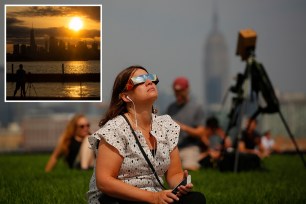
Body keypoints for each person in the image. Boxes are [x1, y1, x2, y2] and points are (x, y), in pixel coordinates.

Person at [87, 66, 206, 204]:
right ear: (126, 96)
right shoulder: (115, 129)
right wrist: (153, 198)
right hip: (120, 197)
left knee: (195, 199)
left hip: (154, 195)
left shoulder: (166, 126)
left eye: (151, 78)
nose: (149, 82)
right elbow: (105, 182)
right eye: (140, 80)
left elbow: (174, 173)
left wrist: (180, 184)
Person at [166, 77, 205, 170]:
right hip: (172, 148)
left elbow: (201, 132)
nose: (178, 93)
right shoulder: (171, 107)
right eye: (176, 91)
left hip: (190, 147)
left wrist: (182, 127)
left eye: (180, 91)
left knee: (189, 167)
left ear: (187, 90)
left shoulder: (197, 107)